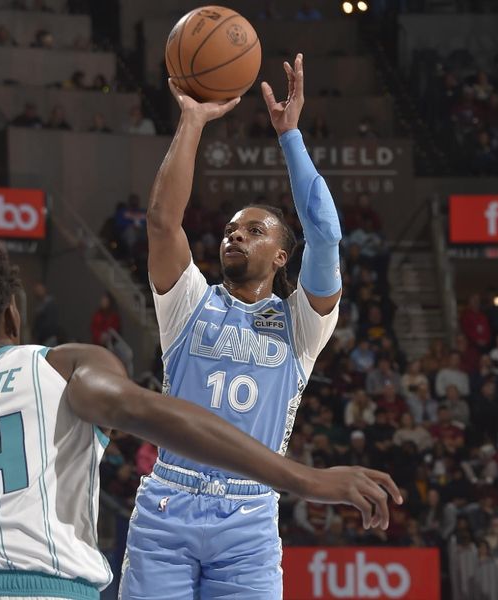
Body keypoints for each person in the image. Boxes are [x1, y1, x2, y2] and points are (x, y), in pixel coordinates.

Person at [0, 231, 400, 598]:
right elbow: (166, 417)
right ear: (12, 313)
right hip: (46, 588)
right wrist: (306, 479)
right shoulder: (66, 367)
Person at [122, 54, 400, 598]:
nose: (235, 236)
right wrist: (193, 119)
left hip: (249, 517)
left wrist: (290, 136)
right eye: (229, 229)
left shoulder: (303, 323)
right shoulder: (187, 303)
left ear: (280, 258)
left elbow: (324, 231)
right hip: (166, 506)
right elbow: (162, 222)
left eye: (254, 231)